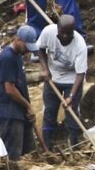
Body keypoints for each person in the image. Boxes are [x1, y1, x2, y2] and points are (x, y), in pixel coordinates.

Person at [37, 15, 88, 148]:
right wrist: (45, 69)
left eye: (68, 33)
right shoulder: (48, 32)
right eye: (62, 32)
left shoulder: (80, 45)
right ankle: (47, 146)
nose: (65, 36)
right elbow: (40, 50)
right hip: (53, 78)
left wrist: (71, 96)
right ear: (58, 28)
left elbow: (80, 74)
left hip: (72, 81)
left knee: (71, 113)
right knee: (49, 111)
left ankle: (74, 145)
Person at [0, 26, 39, 160]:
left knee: (29, 154)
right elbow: (10, 89)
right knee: (13, 157)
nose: (27, 50)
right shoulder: (7, 57)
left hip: (20, 113)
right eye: (26, 46)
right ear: (18, 39)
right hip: (10, 114)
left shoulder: (18, 56)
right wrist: (28, 106)